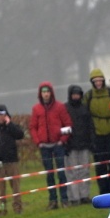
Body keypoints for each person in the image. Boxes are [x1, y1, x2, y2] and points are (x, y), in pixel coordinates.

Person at [30, 82, 73, 210]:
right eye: (43, 92)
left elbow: (68, 124)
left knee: (61, 173)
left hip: (58, 145)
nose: (46, 94)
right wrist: (38, 142)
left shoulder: (60, 107)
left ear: (51, 93)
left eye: (48, 92)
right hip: (44, 147)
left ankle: (64, 199)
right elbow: (33, 127)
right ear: (40, 94)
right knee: (49, 175)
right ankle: (53, 200)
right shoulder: (36, 109)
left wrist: (62, 140)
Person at [86, 69, 110, 195]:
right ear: (92, 82)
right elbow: (86, 115)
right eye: (96, 81)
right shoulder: (88, 96)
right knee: (100, 165)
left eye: (100, 80)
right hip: (97, 135)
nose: (98, 83)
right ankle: (103, 190)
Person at [65, 85, 95, 205]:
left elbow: (90, 126)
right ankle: (74, 198)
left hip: (84, 145)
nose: (76, 96)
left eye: (78, 94)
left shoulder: (85, 108)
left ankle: (84, 195)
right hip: (70, 145)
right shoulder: (65, 108)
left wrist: (91, 142)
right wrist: (65, 143)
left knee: (85, 171)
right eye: (74, 94)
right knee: (72, 172)